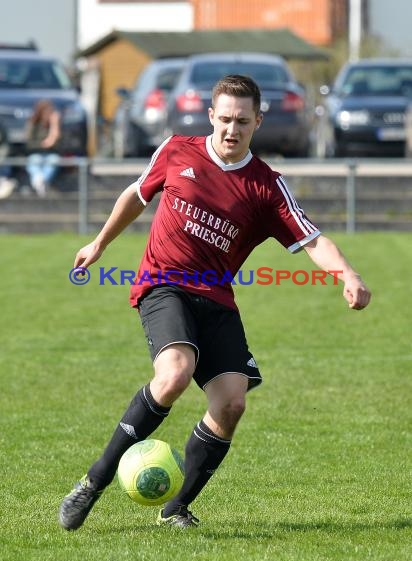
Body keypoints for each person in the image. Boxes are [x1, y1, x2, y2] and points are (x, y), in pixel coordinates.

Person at [59, 75, 371, 531]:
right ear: (211, 116)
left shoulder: (266, 187)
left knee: (231, 404)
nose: (231, 129)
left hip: (217, 297)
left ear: (257, 122)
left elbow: (311, 239)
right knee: (175, 374)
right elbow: (136, 195)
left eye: (242, 121)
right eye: (224, 118)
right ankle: (93, 483)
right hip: (163, 284)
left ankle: (176, 508)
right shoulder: (177, 150)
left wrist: (348, 273)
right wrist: (100, 243)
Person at [25, 99, 61, 197]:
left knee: (53, 160)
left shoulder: (54, 124)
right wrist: (42, 145)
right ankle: (40, 182)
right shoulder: (33, 123)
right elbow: (29, 142)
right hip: (35, 152)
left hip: (50, 154)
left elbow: (56, 143)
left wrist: (55, 126)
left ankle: (39, 182)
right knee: (34, 161)